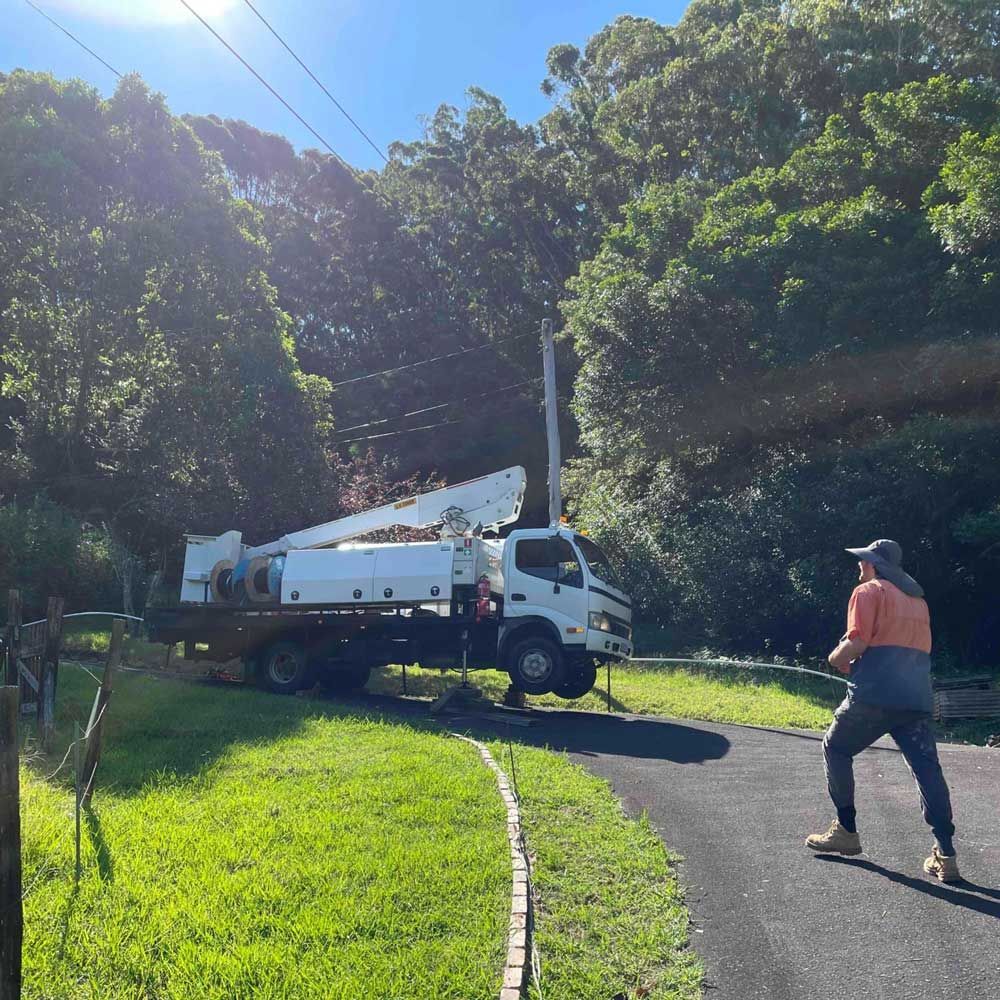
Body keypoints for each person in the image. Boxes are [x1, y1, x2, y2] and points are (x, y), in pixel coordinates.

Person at [805, 539, 960, 883]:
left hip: (874, 696)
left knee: (836, 747)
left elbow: (857, 643)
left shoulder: (868, 592)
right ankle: (946, 854)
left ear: (876, 564)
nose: (860, 566)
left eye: (864, 561)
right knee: (926, 770)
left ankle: (846, 830)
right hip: (916, 699)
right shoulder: (918, 602)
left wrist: (835, 658)